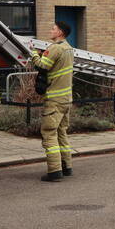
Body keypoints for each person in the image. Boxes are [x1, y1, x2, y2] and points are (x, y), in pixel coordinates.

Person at [30, 21, 74, 181]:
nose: (51, 30)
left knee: (49, 134)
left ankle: (54, 171)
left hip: (55, 100)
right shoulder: (69, 49)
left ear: (60, 32)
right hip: (66, 99)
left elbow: (42, 66)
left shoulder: (55, 48)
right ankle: (66, 166)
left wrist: (34, 53)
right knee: (62, 132)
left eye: (53, 29)